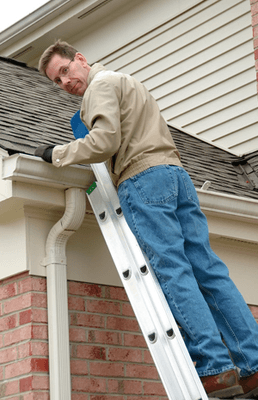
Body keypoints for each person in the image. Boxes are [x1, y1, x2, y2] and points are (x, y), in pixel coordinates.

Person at [36, 40, 258, 399]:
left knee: (174, 271)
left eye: (65, 71)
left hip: (142, 180)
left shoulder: (98, 88)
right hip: (176, 176)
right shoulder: (129, 81)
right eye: (57, 81)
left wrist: (57, 153)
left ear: (81, 59)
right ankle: (253, 365)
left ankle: (215, 369)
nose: (65, 83)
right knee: (209, 271)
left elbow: (105, 141)